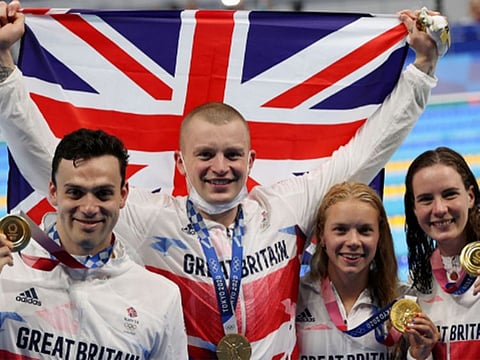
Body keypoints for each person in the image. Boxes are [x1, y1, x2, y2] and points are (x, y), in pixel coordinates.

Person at [0, 1, 444, 358]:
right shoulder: (151, 219)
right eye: (205, 154)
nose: (220, 166)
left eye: (233, 154)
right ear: (180, 161)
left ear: (251, 160)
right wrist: (4, 66)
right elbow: (51, 165)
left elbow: (369, 150)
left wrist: (422, 68)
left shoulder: (285, 208)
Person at [0, 128, 188, 359]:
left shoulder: (160, 296)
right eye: (75, 193)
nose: (89, 208)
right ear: (53, 192)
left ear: (123, 195)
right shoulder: (7, 271)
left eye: (103, 193)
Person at [296, 181, 439, 359]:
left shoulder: (402, 303)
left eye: (365, 231)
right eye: (340, 230)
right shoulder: (296, 299)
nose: (354, 241)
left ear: (379, 237)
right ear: (322, 236)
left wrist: (419, 356)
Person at [404, 146, 480, 359]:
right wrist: (417, 355)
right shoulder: (416, 284)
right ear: (414, 208)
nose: (439, 209)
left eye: (449, 194)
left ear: (470, 196)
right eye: (426, 199)